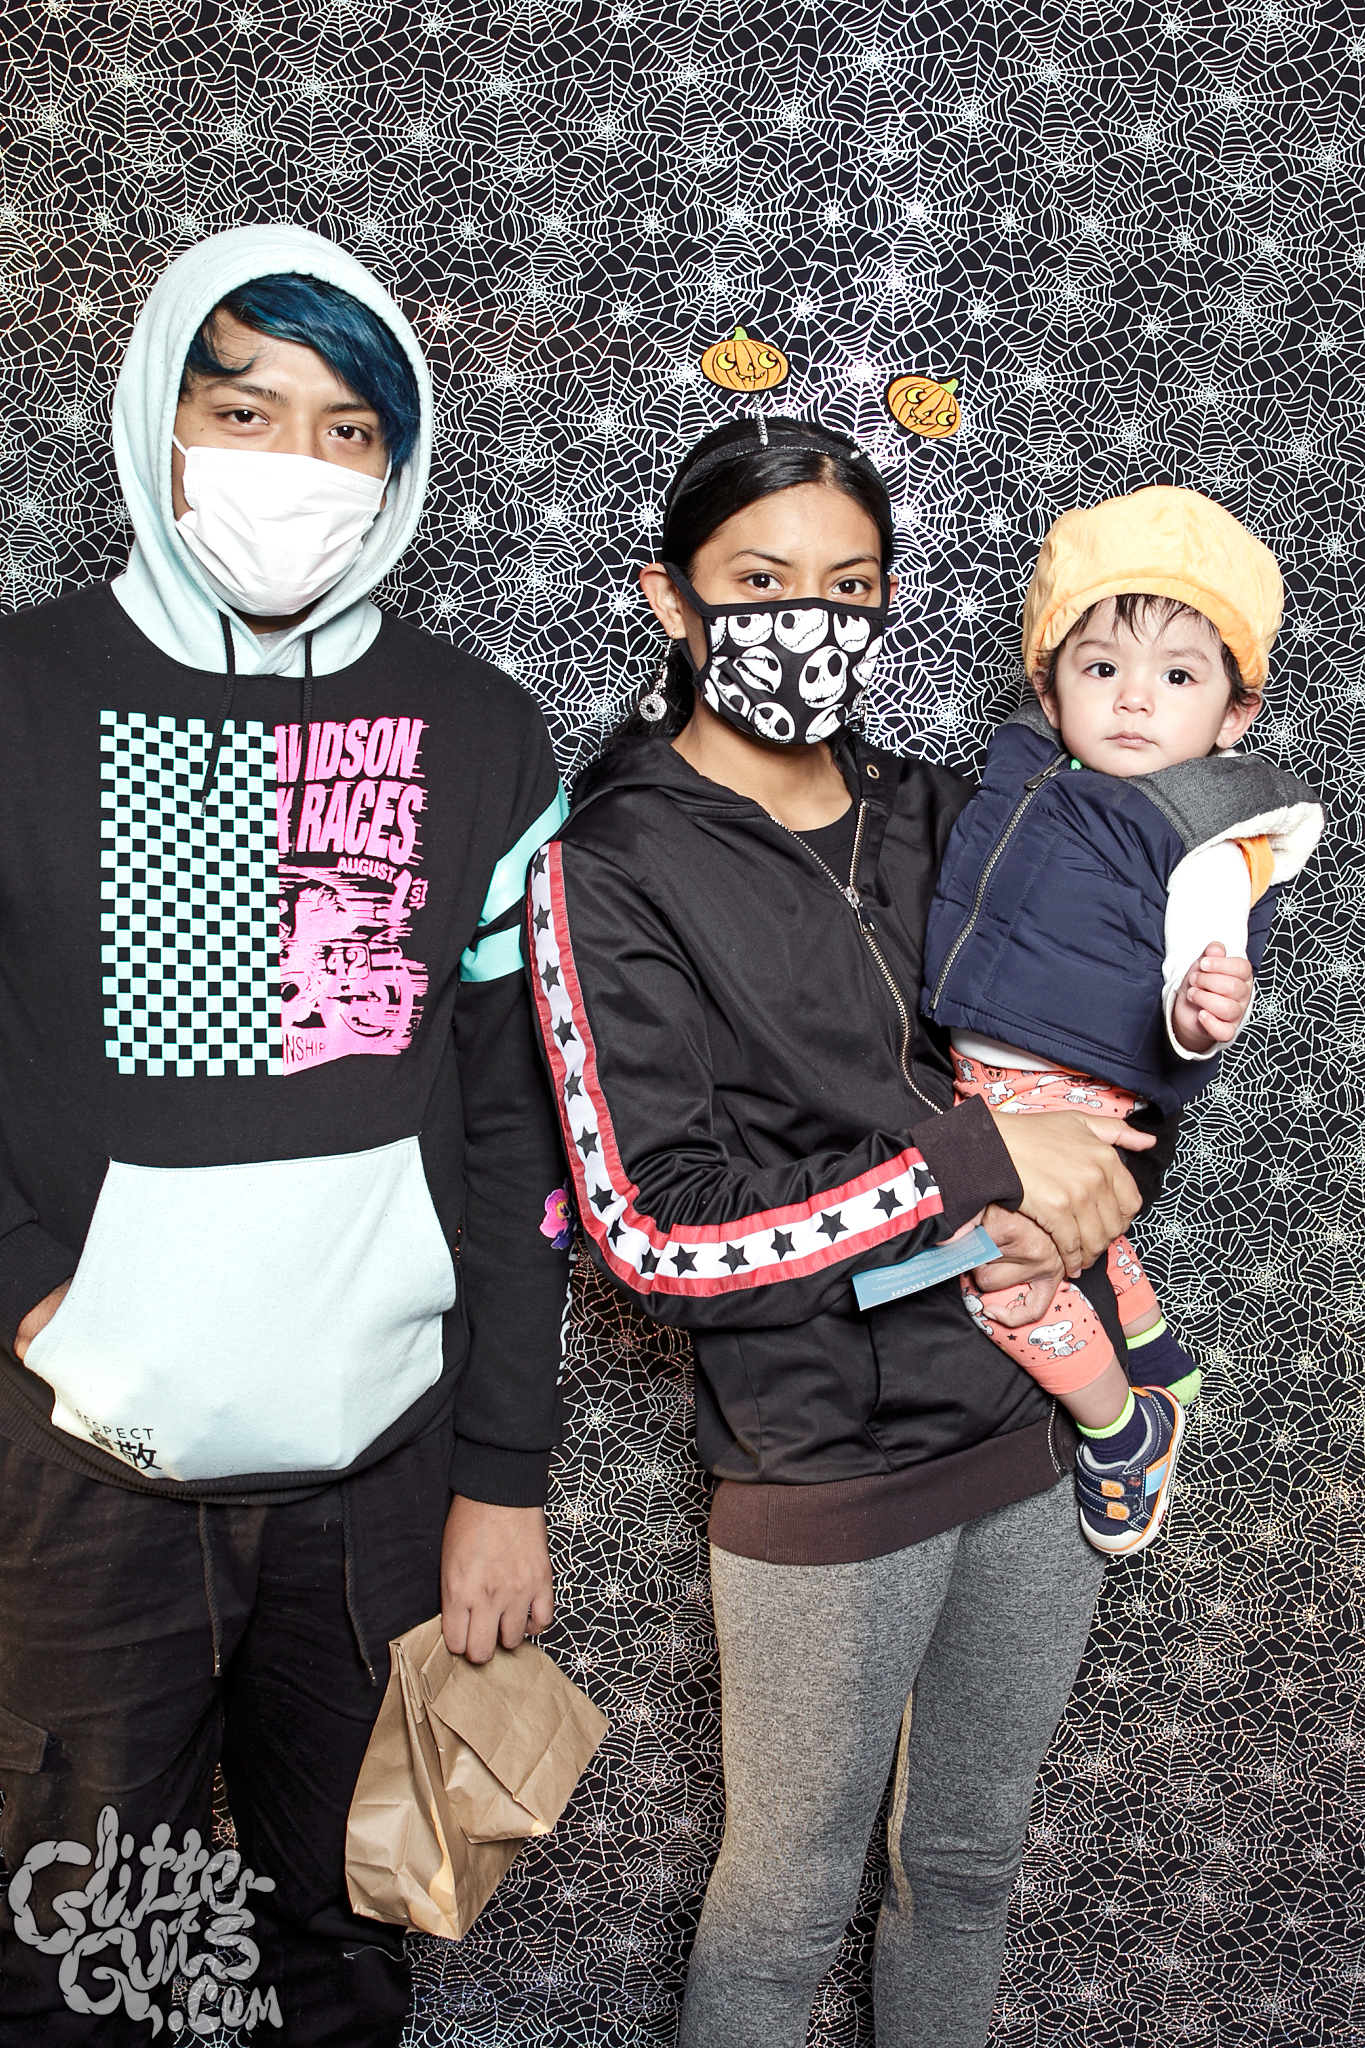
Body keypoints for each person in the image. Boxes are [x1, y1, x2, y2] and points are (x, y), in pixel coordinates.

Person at [526, 415, 1175, 2048]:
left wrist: (1103, 1159)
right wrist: (978, 1162)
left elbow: (1104, 1071)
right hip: (829, 1469)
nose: (805, 620)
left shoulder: (955, 811)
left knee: (963, 1869)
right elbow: (654, 1237)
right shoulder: (610, 864)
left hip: (1039, 1440)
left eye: (848, 583)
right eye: (758, 582)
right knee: (783, 1905)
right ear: (671, 597)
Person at [0, 225, 571, 2045]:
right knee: (79, 1956)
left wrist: (503, 1472)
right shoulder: (16, 695)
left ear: (399, 466)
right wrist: (32, 1295)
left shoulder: (481, 729)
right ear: (154, 421)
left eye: (349, 430)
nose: (296, 467)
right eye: (244, 411)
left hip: (380, 1470)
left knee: (345, 1937)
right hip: (80, 1460)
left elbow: (516, 1122)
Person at [922, 488, 1322, 1555]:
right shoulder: (1035, 766)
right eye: (1101, 668)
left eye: (1178, 678)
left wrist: (1202, 1009)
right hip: (989, 1076)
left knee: (1003, 1275)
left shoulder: (1204, 834)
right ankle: (1153, 1354)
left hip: (1074, 1092)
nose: (1134, 699)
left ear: (1233, 717)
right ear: (1048, 686)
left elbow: (1203, 967)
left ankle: (1122, 1426)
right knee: (1088, 1240)